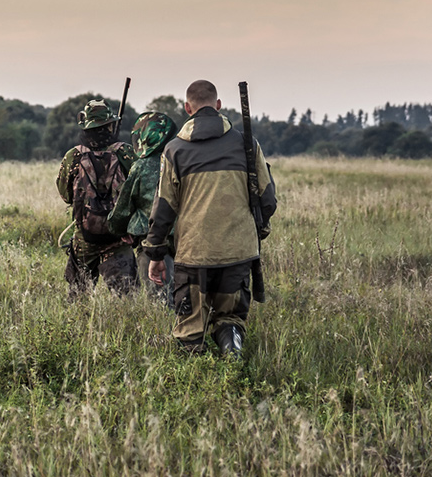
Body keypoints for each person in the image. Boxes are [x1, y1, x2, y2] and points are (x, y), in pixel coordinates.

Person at [143, 80, 276, 357]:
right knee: (230, 319)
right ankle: (232, 354)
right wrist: (256, 227)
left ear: (187, 108)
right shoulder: (247, 144)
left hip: (193, 255)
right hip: (238, 252)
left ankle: (197, 384)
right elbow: (268, 199)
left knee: (190, 327)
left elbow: (164, 208)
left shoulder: (175, 150)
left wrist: (155, 253)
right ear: (218, 105)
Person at [56, 99, 138, 295]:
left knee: (78, 296)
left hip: (85, 238)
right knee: (127, 299)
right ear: (110, 125)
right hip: (119, 238)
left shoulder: (73, 156)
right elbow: (138, 190)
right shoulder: (125, 152)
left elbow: (66, 195)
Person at [106, 110, 179, 303]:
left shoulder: (142, 166)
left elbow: (122, 209)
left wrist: (118, 228)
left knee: (161, 304)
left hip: (153, 244)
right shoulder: (183, 160)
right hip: (188, 241)